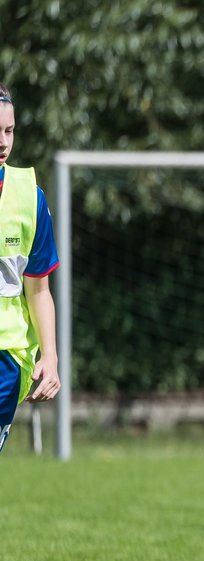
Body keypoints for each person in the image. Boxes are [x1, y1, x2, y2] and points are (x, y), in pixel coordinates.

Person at [0, 83, 61, 455]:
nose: (3, 142)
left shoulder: (28, 197)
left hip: (7, 360)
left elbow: (38, 289)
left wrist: (50, 357)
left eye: (9, 131)